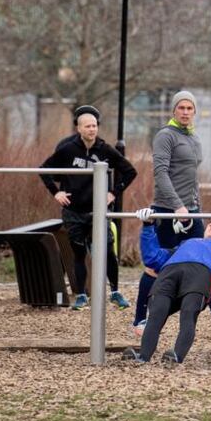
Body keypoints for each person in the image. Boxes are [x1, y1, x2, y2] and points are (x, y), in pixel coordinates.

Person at [131, 89, 211, 340]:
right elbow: (161, 173)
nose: (186, 112)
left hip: (192, 210)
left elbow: (191, 177)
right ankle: (140, 320)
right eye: (181, 108)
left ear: (195, 111)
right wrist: (177, 206)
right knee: (156, 268)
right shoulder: (165, 136)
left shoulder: (193, 138)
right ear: (174, 110)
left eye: (190, 108)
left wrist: (195, 205)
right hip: (168, 208)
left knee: (206, 263)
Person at [123, 208, 211, 364]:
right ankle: (143, 357)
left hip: (202, 273)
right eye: (210, 225)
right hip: (170, 271)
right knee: (156, 314)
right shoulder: (183, 246)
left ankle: (176, 356)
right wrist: (147, 225)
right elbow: (152, 258)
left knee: (188, 313)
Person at [40, 105, 137, 310]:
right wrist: (56, 192)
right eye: (88, 126)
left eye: (94, 126)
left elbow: (130, 172)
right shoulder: (67, 149)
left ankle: (115, 292)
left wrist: (113, 193)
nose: (92, 129)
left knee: (107, 252)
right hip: (74, 211)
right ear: (79, 128)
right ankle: (82, 295)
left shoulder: (105, 149)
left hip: (98, 211)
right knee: (78, 253)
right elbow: (44, 170)